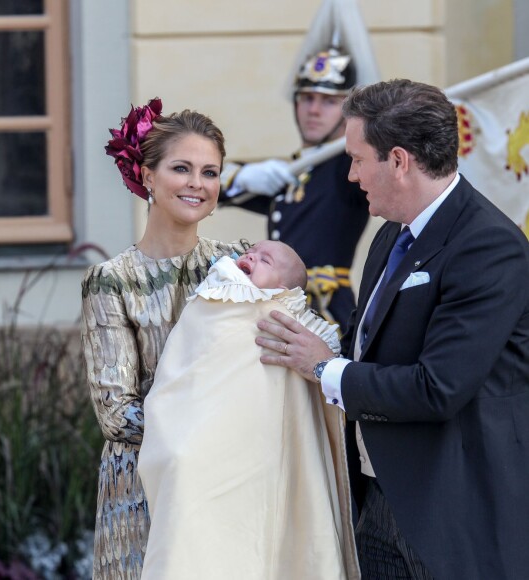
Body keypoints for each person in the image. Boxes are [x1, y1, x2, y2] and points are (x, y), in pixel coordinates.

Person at [254, 79, 529, 579]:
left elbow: (437, 388)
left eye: (357, 159)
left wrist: (322, 366)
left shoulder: (489, 246)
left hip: (452, 516)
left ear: (399, 161)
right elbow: (370, 351)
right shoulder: (390, 235)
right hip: (378, 502)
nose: (352, 174)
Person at [81, 98, 246, 579]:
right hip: (144, 488)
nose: (198, 183)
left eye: (210, 172)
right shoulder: (110, 281)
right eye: (182, 168)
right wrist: (216, 419)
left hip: (228, 477)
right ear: (146, 175)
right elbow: (115, 413)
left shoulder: (241, 263)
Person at [137, 240, 360, 580]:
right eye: (252, 252)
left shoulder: (287, 317)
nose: (251, 256)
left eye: (265, 259)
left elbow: (324, 354)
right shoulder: (214, 298)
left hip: (257, 444)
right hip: (201, 442)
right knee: (195, 541)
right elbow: (185, 370)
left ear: (285, 290)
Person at [219, 47, 370, 331]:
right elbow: (208, 187)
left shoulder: (347, 167)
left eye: (328, 101)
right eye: (307, 98)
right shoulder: (294, 171)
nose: (313, 110)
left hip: (324, 311)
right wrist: (244, 176)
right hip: (277, 303)